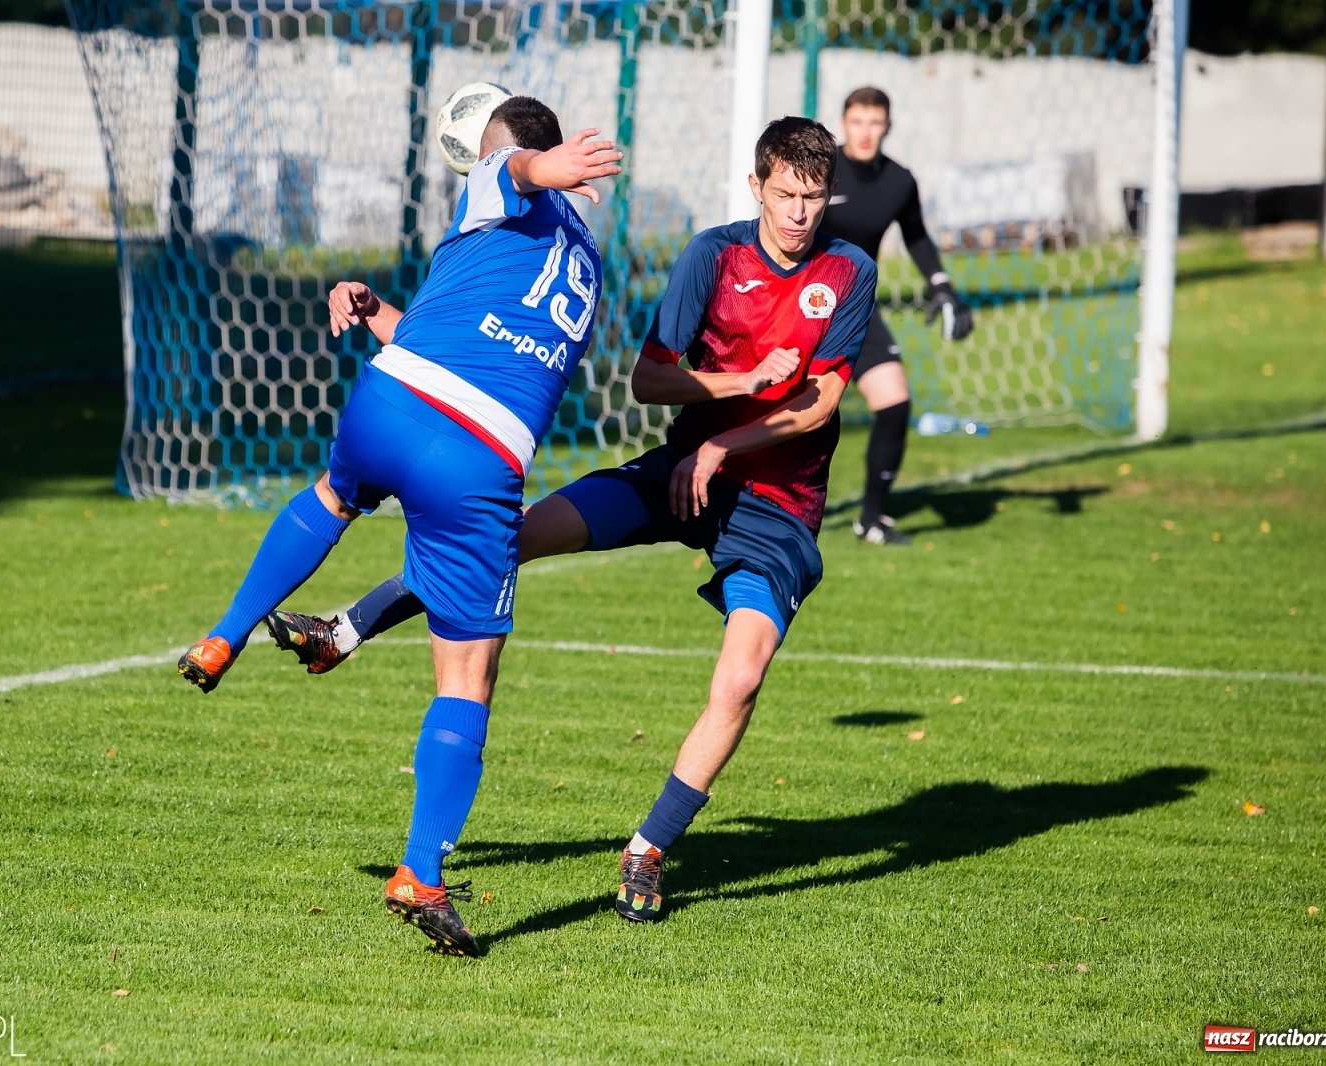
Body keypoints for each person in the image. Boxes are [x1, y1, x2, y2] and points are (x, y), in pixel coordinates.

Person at [264, 117, 876, 923]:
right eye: (788, 194)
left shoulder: (850, 268)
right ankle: (345, 630)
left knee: (741, 678)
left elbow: (822, 402)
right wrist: (726, 397)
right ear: (757, 185)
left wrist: (724, 446)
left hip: (776, 507)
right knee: (503, 540)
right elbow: (650, 383)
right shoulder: (713, 256)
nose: (802, 213)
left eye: (816, 197)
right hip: (678, 475)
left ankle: (648, 849)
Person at [175, 96, 621, 957]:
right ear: (555, 153)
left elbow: (504, 178)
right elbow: (513, 179)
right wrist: (541, 166)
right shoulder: (585, 255)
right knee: (466, 680)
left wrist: (527, 171)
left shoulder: (497, 191)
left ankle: (225, 634)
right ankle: (418, 871)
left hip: (394, 397)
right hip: (478, 455)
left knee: (335, 497)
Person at [824, 85, 974, 546]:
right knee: (785, 409)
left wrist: (943, 287)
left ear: (887, 125)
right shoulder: (819, 168)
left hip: (855, 307)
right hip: (799, 302)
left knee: (894, 402)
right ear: (843, 123)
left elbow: (917, 236)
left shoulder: (899, 182)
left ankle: (871, 520)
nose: (865, 132)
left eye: (875, 122)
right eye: (857, 121)